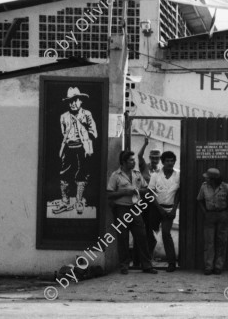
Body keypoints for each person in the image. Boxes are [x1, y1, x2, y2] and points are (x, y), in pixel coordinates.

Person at [107, 150, 157, 275]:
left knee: (141, 236)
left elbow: (145, 188)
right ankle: (124, 265)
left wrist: (141, 192)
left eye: (134, 160)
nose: (134, 162)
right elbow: (109, 194)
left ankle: (146, 265)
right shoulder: (115, 176)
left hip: (135, 209)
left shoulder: (137, 174)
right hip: (121, 209)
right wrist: (125, 192)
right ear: (123, 162)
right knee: (123, 238)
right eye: (131, 160)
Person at [53, 87, 97, 215]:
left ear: (81, 101)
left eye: (75, 100)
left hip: (83, 149)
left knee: (81, 174)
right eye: (70, 101)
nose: (72, 103)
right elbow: (63, 134)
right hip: (68, 149)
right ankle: (65, 202)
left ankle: (79, 202)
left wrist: (83, 129)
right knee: (64, 174)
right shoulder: (63, 117)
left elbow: (94, 133)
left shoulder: (87, 114)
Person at [197, 168, 228, 275]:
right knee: (209, 242)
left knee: (221, 241)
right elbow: (199, 200)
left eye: (208, 178)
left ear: (213, 179)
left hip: (222, 215)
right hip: (209, 215)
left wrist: (227, 213)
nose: (206, 179)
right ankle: (208, 267)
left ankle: (218, 266)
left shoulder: (226, 187)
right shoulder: (204, 186)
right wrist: (205, 212)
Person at [148, 151, 180, 272]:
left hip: (170, 209)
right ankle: (146, 262)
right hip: (156, 208)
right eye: (167, 161)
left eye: (172, 160)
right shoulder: (156, 175)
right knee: (150, 234)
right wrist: (160, 209)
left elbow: (178, 193)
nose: (170, 163)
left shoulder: (178, 175)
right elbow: (150, 193)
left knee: (166, 233)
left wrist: (174, 208)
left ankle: (171, 263)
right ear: (163, 162)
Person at [132, 135, 160, 264]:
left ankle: (148, 258)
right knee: (140, 231)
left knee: (151, 233)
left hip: (154, 205)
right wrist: (145, 144)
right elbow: (139, 156)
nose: (154, 159)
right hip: (142, 203)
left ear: (159, 159)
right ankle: (139, 259)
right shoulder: (145, 167)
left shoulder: (161, 171)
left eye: (157, 158)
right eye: (153, 157)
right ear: (150, 158)